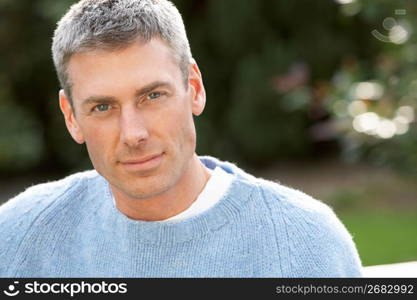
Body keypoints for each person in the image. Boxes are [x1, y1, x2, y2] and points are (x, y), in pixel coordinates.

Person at [0, 0, 362, 277]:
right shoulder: (20, 236)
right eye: (103, 107)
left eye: (153, 96)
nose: (134, 134)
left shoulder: (304, 242)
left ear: (194, 87)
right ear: (71, 117)